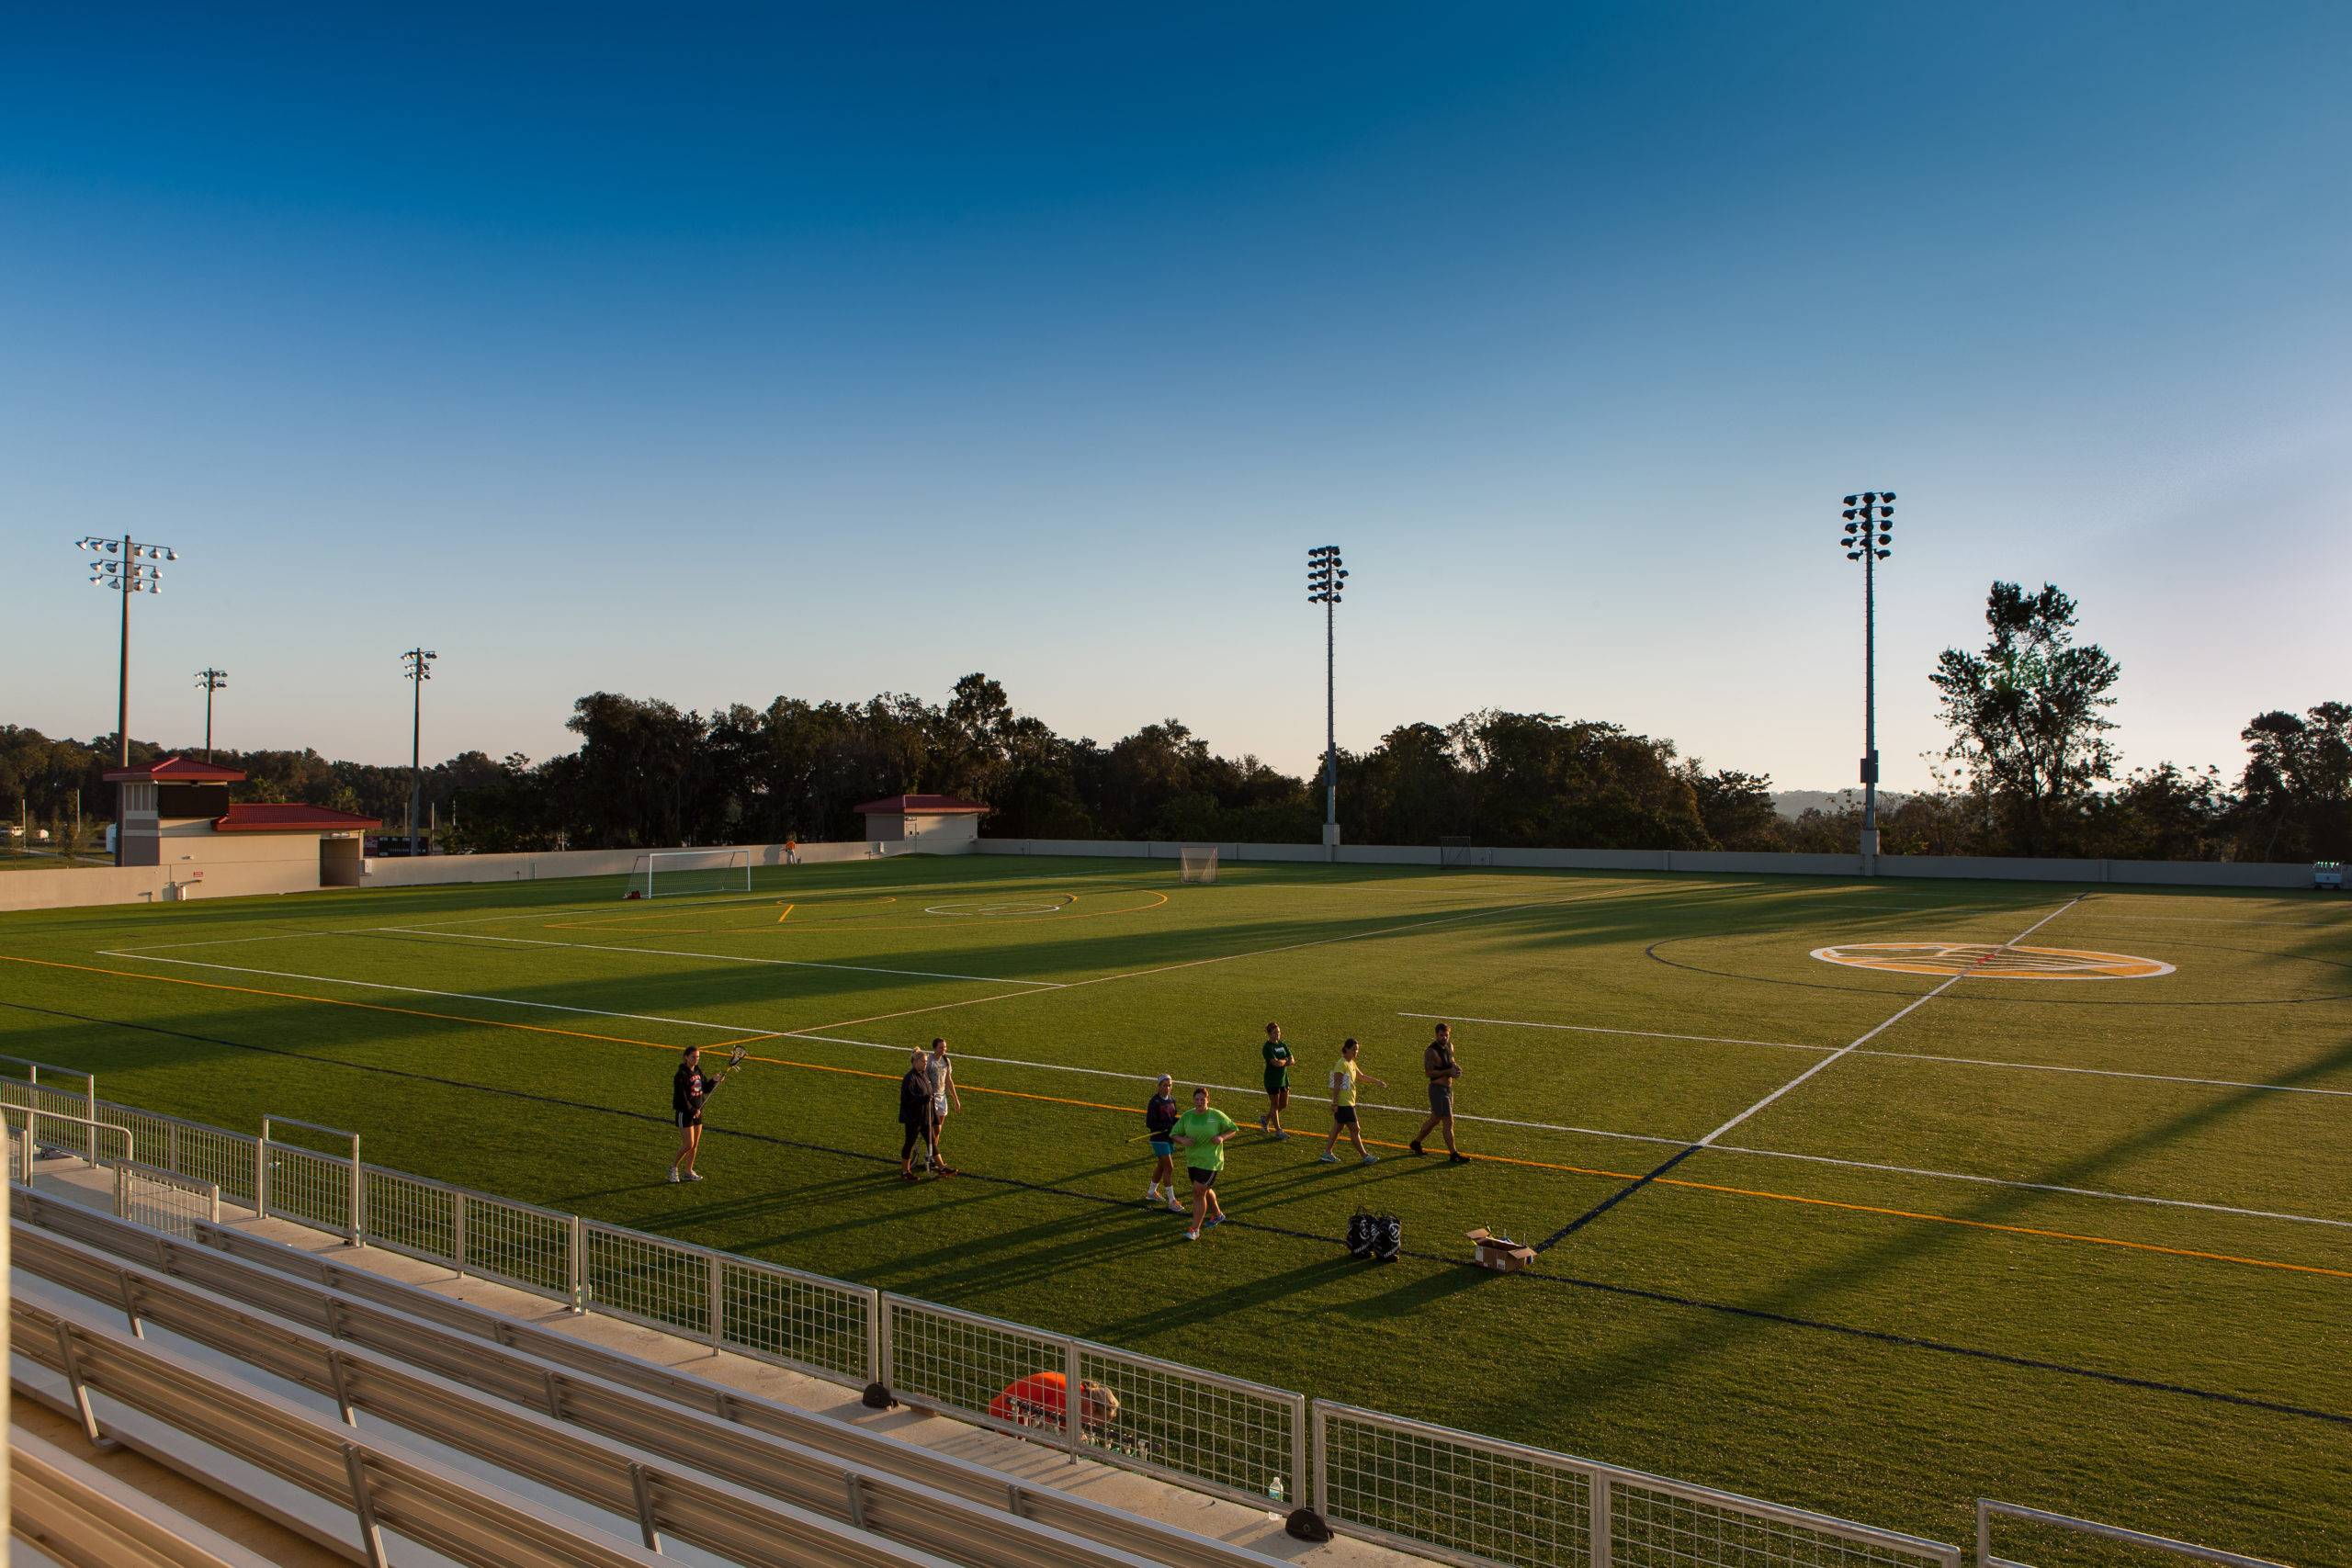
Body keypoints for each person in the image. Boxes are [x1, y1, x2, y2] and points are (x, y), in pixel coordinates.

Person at [1171, 1086, 1238, 1242]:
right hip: (1193, 1160)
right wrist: (1183, 1140)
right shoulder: (1188, 1116)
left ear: (1208, 1100)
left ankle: (1195, 1229)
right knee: (1204, 1189)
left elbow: (1233, 1129)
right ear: (1193, 1100)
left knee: (1198, 1191)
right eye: (1197, 1099)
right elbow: (1174, 1133)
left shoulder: (1216, 1115)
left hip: (1210, 1160)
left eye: (1203, 1099)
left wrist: (1222, 1137)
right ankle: (1217, 1214)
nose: (1200, 1102)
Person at [988, 1371, 1121, 1436]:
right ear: (1092, 1408)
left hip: (1004, 1414)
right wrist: (1069, 1436)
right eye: (1095, 1423)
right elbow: (1041, 1427)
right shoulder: (1067, 1399)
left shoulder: (1078, 1391)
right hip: (1001, 1421)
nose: (1091, 1427)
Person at [1318, 1038, 1386, 1165]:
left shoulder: (1351, 1063)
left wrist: (1376, 1081)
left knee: (1338, 1127)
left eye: (1357, 1050)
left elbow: (1361, 1076)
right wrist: (1334, 1103)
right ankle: (1365, 1156)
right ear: (1347, 1049)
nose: (1356, 1052)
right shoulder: (1341, 1064)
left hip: (1348, 1102)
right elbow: (1336, 1084)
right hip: (1344, 1103)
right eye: (1354, 1049)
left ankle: (1327, 1153)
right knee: (1355, 1129)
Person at [668, 1044, 729, 1182]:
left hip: (697, 1112)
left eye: (698, 1057)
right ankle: (673, 1168)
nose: (696, 1059)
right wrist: (691, 1110)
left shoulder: (698, 1071)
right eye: (693, 1057)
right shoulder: (681, 1075)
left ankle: (688, 1172)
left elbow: (705, 1088)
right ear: (686, 1057)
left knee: (694, 1145)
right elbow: (681, 1098)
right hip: (685, 1113)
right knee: (688, 1144)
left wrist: (714, 1081)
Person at [1409, 1021, 1468, 1163]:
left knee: (1435, 1119)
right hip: (1437, 1090)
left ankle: (1416, 1142)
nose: (1444, 1038)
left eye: (1446, 1035)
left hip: (1448, 1089)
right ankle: (1454, 1154)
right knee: (1449, 1121)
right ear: (1436, 1035)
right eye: (1441, 1035)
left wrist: (1455, 1067)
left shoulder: (1450, 1046)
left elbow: (1451, 1060)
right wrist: (1448, 1071)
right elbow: (1429, 1073)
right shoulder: (1431, 1051)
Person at [1143, 1074, 1184, 1212]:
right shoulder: (1154, 1102)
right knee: (1169, 1168)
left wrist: (1180, 1123)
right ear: (1159, 1086)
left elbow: (1173, 1117)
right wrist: (1165, 1126)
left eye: (1170, 1085)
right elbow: (1150, 1123)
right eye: (1165, 1085)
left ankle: (1151, 1193)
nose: (1167, 1088)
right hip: (1159, 1139)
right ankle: (1172, 1201)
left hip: (1169, 1137)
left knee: (1161, 1166)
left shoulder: (1172, 1099)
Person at [924, 1037, 962, 1176]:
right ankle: (932, 1156)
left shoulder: (946, 1061)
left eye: (944, 1047)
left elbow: (948, 1080)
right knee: (936, 1128)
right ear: (934, 1048)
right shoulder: (929, 1062)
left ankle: (930, 1155)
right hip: (932, 1098)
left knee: (938, 1131)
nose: (943, 1049)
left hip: (942, 1097)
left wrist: (955, 1099)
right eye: (941, 1047)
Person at [898, 1051, 937, 1180]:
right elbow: (907, 1099)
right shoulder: (910, 1078)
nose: (925, 1064)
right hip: (913, 1118)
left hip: (925, 1116)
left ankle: (942, 1167)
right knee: (909, 1143)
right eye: (923, 1062)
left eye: (926, 1062)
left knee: (932, 1141)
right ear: (915, 1062)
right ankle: (905, 1171)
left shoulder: (924, 1075)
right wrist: (924, 1098)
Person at [1259, 1021, 1295, 1139]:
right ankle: (1278, 1130)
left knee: (1284, 1104)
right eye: (1275, 1033)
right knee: (1274, 1104)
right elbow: (1275, 1063)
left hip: (1283, 1079)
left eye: (1278, 1032)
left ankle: (1265, 1119)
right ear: (1269, 1034)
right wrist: (1285, 1061)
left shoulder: (1282, 1044)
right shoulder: (1267, 1047)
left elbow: (1292, 1060)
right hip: (1272, 1080)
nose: (1277, 1035)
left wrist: (1282, 1061)